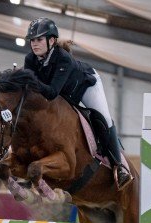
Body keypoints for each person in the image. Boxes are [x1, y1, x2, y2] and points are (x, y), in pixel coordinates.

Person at [23, 18, 131, 189]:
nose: (34, 44)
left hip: (86, 85)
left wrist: (28, 80)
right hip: (64, 93)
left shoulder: (63, 59)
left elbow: (51, 93)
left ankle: (120, 166)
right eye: (32, 40)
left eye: (39, 40)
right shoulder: (30, 59)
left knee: (103, 119)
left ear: (51, 40)